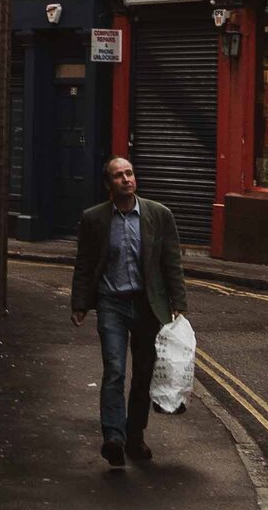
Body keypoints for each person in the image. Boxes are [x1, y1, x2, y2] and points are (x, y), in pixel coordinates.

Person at [69, 150, 188, 469]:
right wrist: (79, 303)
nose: (127, 179)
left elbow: (171, 262)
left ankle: (135, 436)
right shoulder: (94, 218)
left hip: (148, 305)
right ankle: (114, 438)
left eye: (130, 173)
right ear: (108, 183)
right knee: (115, 369)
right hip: (112, 303)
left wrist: (179, 305)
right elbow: (84, 265)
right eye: (120, 175)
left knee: (144, 373)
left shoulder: (158, 214)